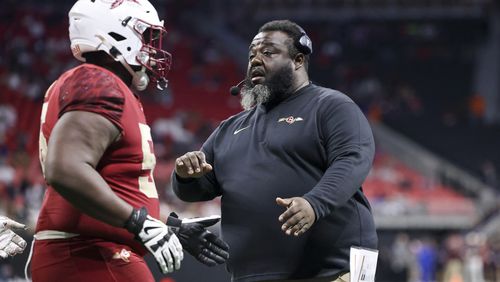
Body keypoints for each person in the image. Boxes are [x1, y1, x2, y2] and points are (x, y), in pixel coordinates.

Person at [31, 0, 228, 281]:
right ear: (114, 34)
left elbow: (114, 187)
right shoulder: (99, 82)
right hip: (89, 253)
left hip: (91, 250)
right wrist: (140, 223)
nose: (153, 48)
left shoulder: (105, 85)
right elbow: (65, 169)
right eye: (146, 37)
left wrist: (168, 227)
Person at [172, 20, 377, 282]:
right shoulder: (229, 129)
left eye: (268, 52)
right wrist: (185, 175)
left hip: (331, 271)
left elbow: (353, 160)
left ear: (298, 60)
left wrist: (314, 203)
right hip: (251, 276)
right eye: (252, 55)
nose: (256, 60)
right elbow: (195, 190)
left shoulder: (331, 106)